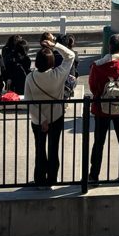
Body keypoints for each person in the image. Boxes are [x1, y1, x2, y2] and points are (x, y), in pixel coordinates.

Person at [24, 37, 76, 187]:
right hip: (56, 116)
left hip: (37, 120)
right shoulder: (58, 74)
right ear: (52, 62)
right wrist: (55, 45)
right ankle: (52, 178)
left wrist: (42, 119)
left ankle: (40, 179)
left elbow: (28, 101)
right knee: (54, 148)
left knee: (40, 149)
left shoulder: (30, 77)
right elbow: (70, 55)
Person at [88, 34, 119, 182]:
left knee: (99, 141)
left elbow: (93, 87)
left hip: (101, 107)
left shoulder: (97, 66)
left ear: (109, 46)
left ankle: (94, 175)